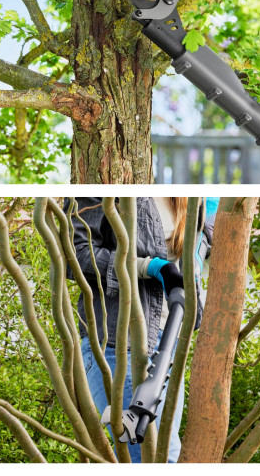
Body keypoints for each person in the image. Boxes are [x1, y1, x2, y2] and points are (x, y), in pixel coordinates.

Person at [65, 198, 214, 463]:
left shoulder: (189, 196)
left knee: (166, 453)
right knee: (156, 456)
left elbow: (208, 234)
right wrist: (152, 267)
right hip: (117, 341)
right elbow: (75, 254)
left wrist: (202, 235)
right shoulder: (108, 187)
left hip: (170, 340)